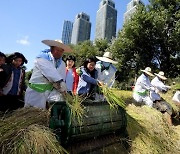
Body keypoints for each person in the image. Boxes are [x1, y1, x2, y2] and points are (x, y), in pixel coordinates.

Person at [25, 39, 72, 109]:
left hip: (51, 91)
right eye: (57, 50)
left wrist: (63, 91)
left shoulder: (62, 64)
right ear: (51, 49)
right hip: (36, 91)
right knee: (32, 112)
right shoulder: (41, 58)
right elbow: (50, 73)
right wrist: (61, 84)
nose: (59, 52)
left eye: (61, 51)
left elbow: (62, 78)